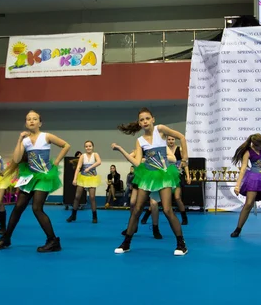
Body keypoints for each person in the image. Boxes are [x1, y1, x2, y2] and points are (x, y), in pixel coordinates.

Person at [111, 107, 188, 256]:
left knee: (167, 209)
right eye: (141, 120)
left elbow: (182, 138)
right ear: (139, 124)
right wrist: (121, 150)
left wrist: (184, 158)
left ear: (153, 119)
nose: (145, 121)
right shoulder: (139, 141)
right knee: (137, 209)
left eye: (147, 118)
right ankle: (126, 242)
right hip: (147, 175)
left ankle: (181, 244)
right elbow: (138, 163)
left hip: (164, 174)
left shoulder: (161, 130)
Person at [0, 110, 70, 252]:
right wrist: (19, 140)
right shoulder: (25, 141)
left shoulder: (46, 136)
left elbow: (66, 145)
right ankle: (6, 238)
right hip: (30, 176)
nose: (31, 121)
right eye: (28, 119)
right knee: (18, 207)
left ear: (40, 123)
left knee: (36, 208)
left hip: (45, 176)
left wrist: (58, 160)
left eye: (34, 119)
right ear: (26, 123)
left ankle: (53, 241)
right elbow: (16, 159)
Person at [67, 140, 102, 223]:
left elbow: (99, 162)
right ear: (84, 147)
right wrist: (75, 179)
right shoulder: (82, 156)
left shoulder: (95, 154)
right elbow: (78, 167)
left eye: (90, 146)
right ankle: (73, 215)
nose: (88, 147)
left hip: (92, 178)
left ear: (92, 147)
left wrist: (89, 168)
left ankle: (94, 216)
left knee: (92, 198)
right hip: (82, 177)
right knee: (77, 197)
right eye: (86, 146)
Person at [167, 135, 191, 225]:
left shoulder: (179, 149)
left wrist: (188, 176)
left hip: (177, 176)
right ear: (166, 140)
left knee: (177, 197)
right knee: (159, 198)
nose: (171, 141)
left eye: (172, 139)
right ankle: (147, 216)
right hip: (166, 176)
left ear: (175, 140)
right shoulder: (164, 150)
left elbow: (185, 163)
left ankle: (184, 217)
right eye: (169, 139)